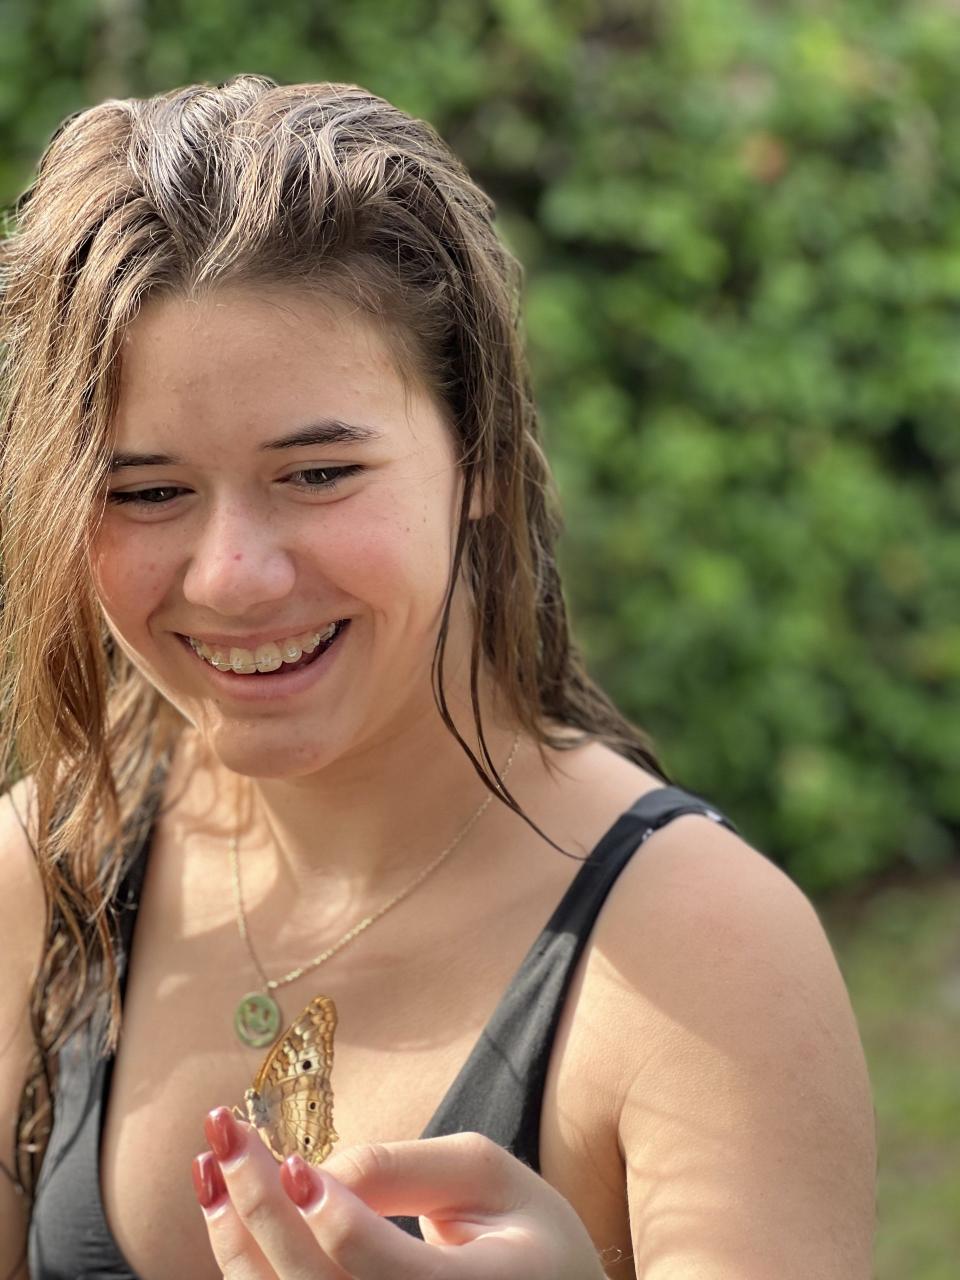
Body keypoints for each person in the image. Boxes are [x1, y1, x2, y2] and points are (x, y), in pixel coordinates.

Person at [0, 75, 876, 1280]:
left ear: (479, 457)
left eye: (318, 474)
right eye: (146, 492)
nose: (235, 575)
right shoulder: (47, 871)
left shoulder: (708, 956)